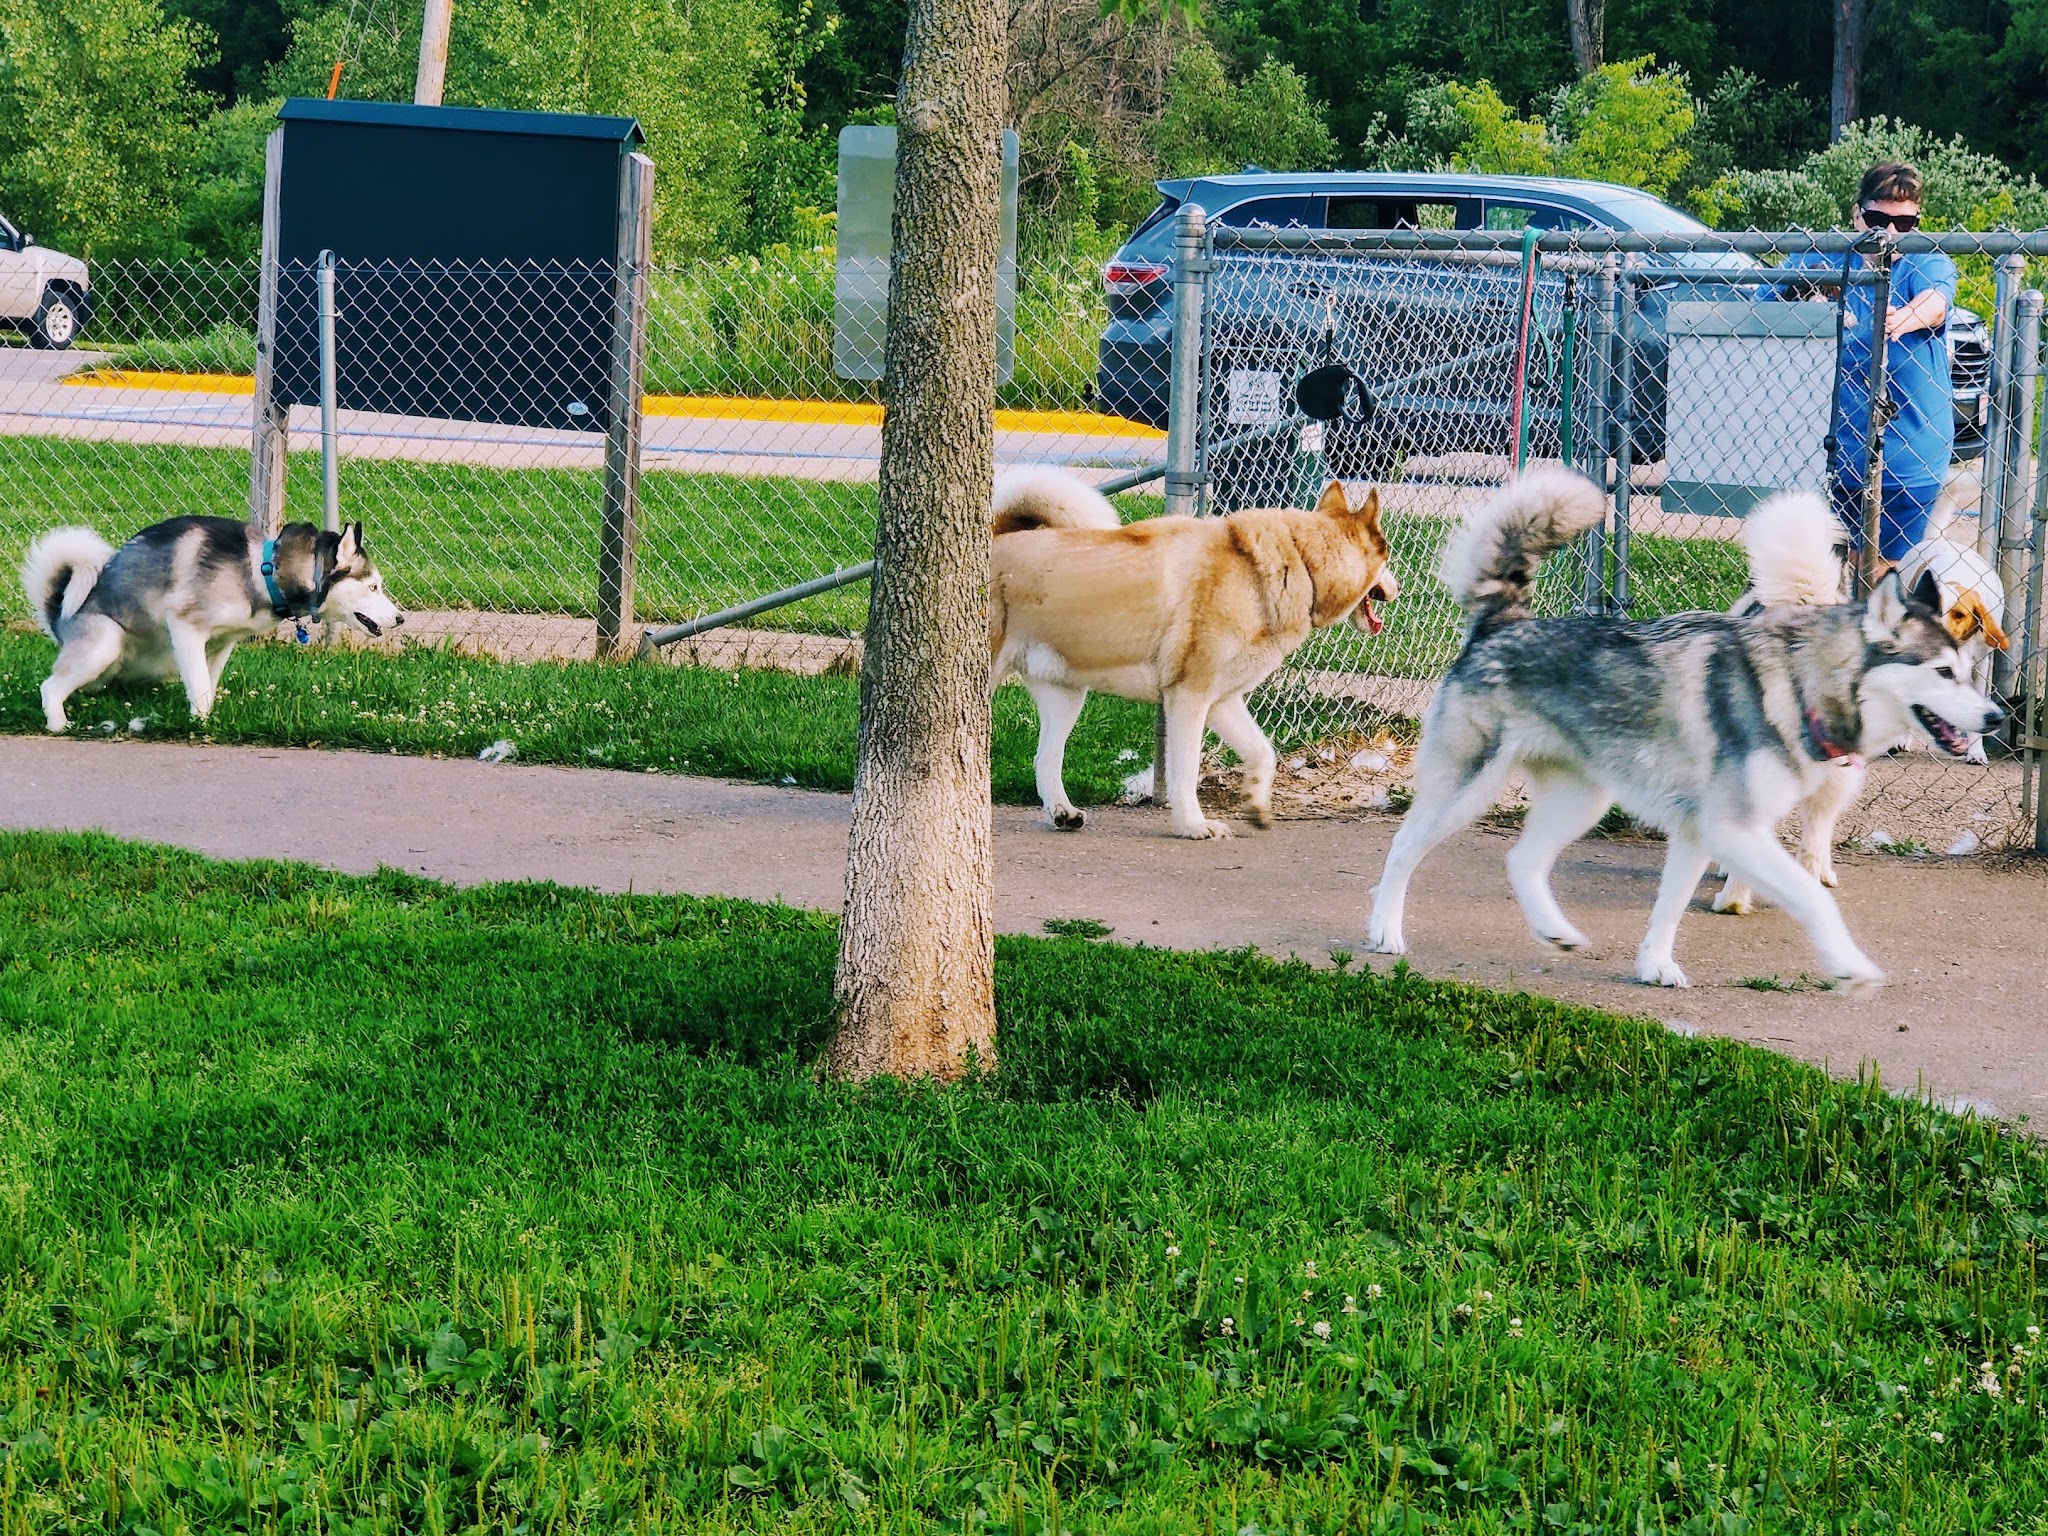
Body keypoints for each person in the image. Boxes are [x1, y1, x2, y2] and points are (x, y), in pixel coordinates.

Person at [1779, 161, 1957, 575]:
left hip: (1907, 450)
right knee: (1840, 562)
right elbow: (1774, 296)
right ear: (1856, 214)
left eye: (1905, 223)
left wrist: (1901, 319)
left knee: (1881, 570)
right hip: (1840, 449)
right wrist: (1803, 295)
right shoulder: (1835, 257)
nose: (1890, 234)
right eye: (1877, 220)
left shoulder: (1922, 259)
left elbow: (1935, 302)